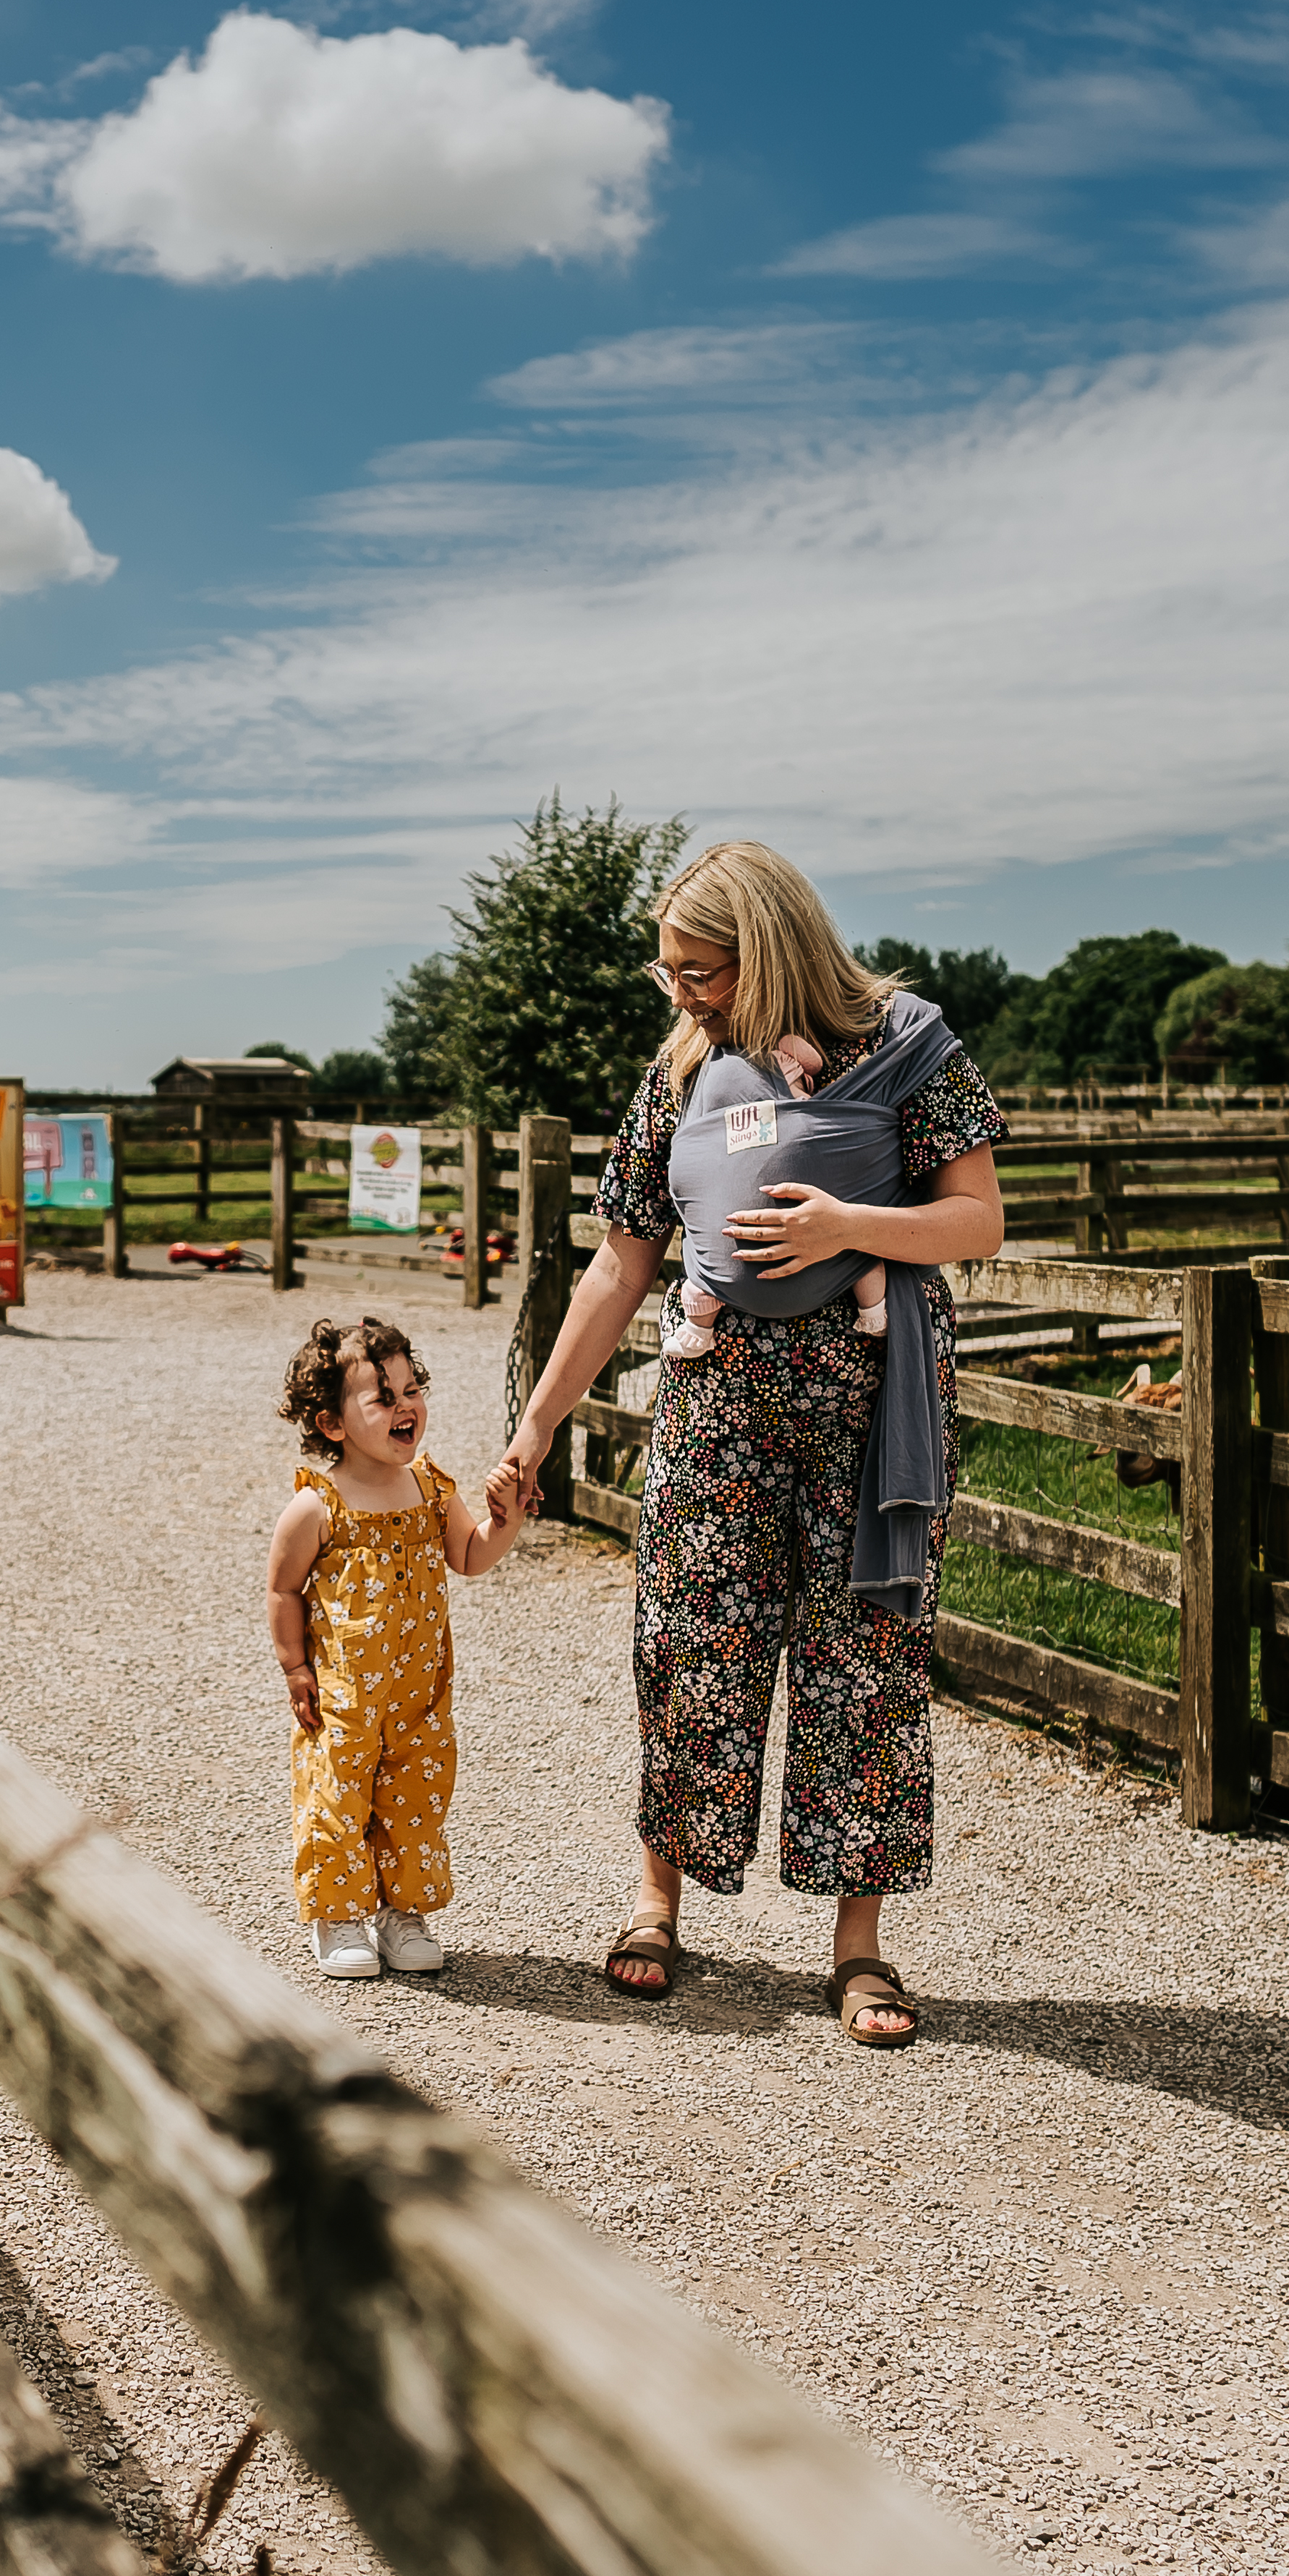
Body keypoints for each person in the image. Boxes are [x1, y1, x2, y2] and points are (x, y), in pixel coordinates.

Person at [495, 841, 1005, 2047]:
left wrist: (844, 1221)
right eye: (668, 969)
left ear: (766, 950)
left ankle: (860, 1947)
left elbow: (977, 1217)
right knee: (686, 1646)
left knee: (862, 1665)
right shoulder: (675, 1077)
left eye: (702, 971)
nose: (679, 990)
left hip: (868, 1417)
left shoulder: (910, 1046)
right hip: (713, 1410)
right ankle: (655, 1901)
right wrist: (536, 1420)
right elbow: (620, 1263)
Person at [268, 1315, 535, 1979]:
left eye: (411, 1389)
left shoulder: (433, 1491)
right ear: (332, 1423)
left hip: (419, 1689)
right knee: (339, 1791)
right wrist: (295, 1666)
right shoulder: (318, 1505)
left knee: (413, 1793)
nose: (405, 1406)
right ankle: (338, 1913)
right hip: (344, 1690)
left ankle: (400, 1911)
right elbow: (283, 1589)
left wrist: (506, 1521)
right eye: (382, 1397)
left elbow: (470, 1558)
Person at [661, 1029, 889, 1357]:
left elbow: (813, 1060)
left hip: (834, 1354)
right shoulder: (689, 1064)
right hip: (724, 1365)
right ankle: (698, 1329)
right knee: (699, 1284)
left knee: (863, 1260)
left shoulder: (776, 1044)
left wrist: (782, 1040)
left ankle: (874, 1314)